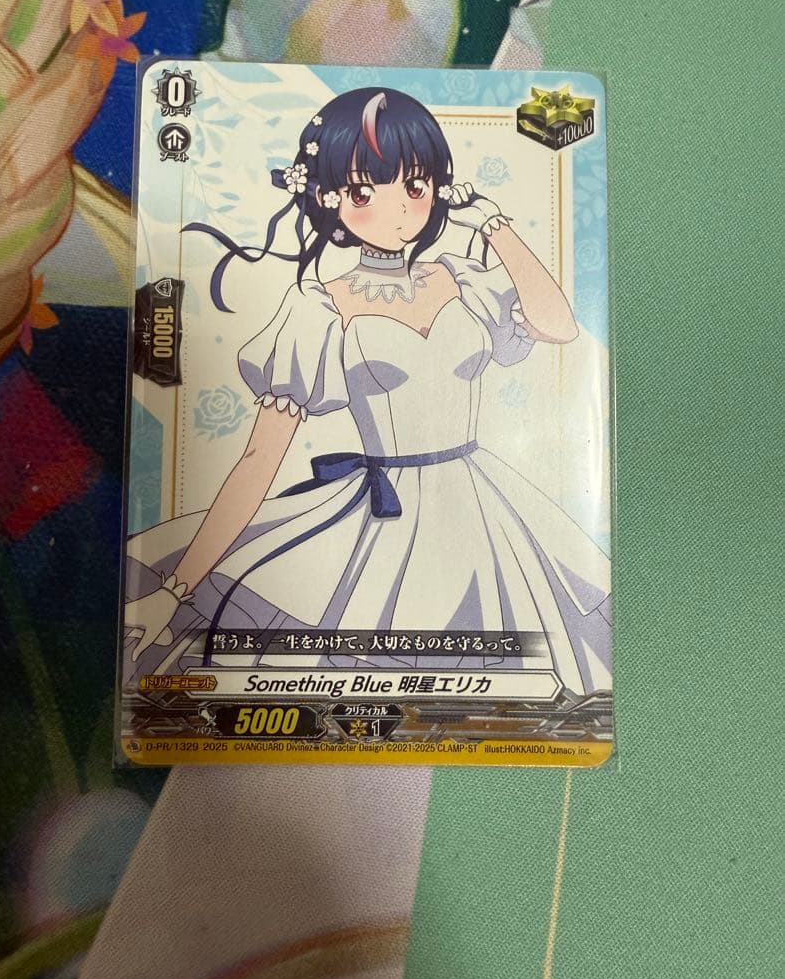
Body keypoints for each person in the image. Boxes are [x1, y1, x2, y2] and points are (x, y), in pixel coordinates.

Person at [125, 87, 611, 694]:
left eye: (416, 185)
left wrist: (493, 225)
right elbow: (258, 459)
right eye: (364, 192)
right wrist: (176, 589)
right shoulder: (319, 310)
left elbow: (558, 325)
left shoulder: (462, 279)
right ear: (330, 196)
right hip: (385, 517)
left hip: (485, 504)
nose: (400, 208)